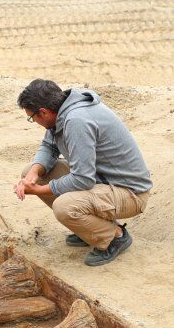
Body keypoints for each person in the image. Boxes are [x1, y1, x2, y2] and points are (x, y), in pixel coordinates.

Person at [14, 79, 152, 267]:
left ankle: (114, 236)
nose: (34, 122)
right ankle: (90, 230)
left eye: (32, 118)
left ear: (43, 112)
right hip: (101, 180)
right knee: (29, 172)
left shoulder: (76, 120)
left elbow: (82, 179)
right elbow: (49, 146)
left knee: (64, 207)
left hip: (129, 193)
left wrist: (39, 190)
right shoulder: (62, 110)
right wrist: (33, 175)